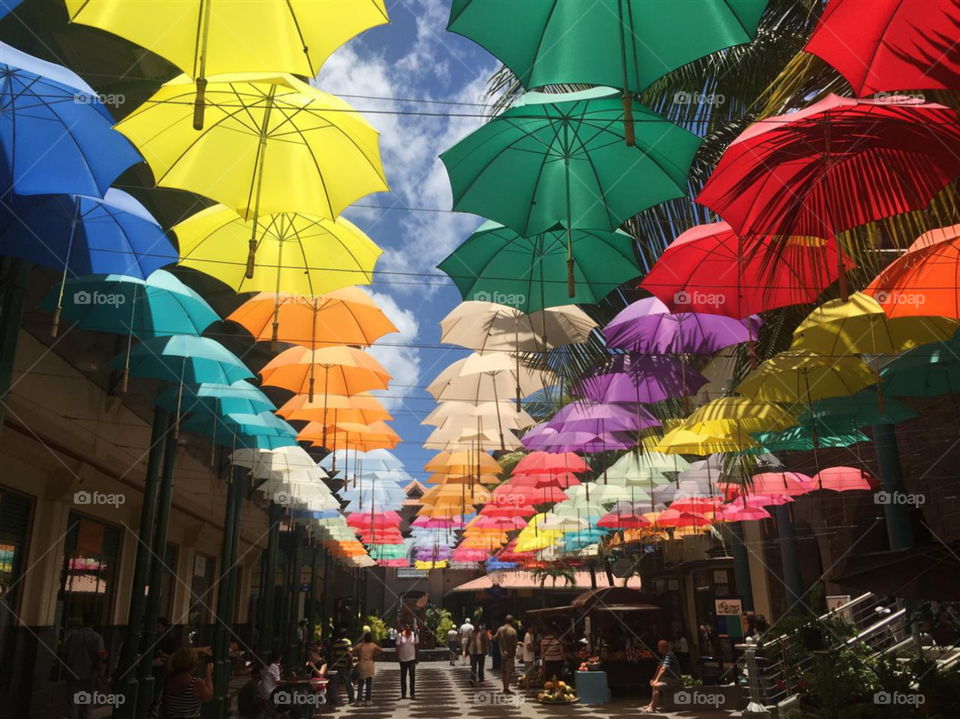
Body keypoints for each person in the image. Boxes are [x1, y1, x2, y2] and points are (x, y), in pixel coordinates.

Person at [63, 613, 108, 719]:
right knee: (86, 706)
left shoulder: (73, 636)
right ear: (93, 624)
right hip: (89, 676)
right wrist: (101, 674)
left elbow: (64, 653)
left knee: (72, 704)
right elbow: (101, 657)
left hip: (73, 673)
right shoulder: (97, 638)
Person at [160, 646, 215, 719]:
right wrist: (208, 674)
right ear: (193, 666)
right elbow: (208, 697)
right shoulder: (196, 683)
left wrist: (197, 650)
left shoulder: (169, 677)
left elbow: (173, 656)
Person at [642, 639, 681, 713]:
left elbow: (663, 669)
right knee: (654, 684)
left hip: (673, 680)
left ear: (665, 647)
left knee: (656, 686)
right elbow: (659, 668)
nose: (658, 648)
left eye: (660, 646)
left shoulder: (669, 655)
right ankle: (651, 704)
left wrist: (656, 680)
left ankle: (652, 707)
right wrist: (654, 679)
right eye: (658, 646)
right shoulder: (664, 656)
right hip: (667, 679)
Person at [351, 631, 382, 706]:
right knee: (369, 684)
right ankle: (368, 700)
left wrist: (357, 654)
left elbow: (352, 650)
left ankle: (359, 700)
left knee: (360, 684)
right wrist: (374, 654)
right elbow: (381, 650)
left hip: (361, 665)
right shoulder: (373, 645)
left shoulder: (360, 645)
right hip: (370, 665)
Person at [327, 628, 355, 706]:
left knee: (334, 683)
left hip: (336, 666)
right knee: (348, 683)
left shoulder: (335, 643)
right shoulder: (347, 642)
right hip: (345, 666)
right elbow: (349, 653)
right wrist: (351, 663)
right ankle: (351, 698)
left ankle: (334, 700)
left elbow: (332, 655)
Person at [493, 615, 518, 694]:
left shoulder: (500, 629)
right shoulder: (513, 631)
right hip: (510, 654)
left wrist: (489, 635)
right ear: (512, 621)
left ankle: (504, 687)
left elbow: (494, 638)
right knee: (509, 672)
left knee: (503, 671)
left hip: (502, 654)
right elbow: (515, 643)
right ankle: (507, 687)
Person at [396, 623, 418, 699]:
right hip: (403, 659)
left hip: (412, 659)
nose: (408, 628)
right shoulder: (400, 635)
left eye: (409, 626)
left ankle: (412, 694)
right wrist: (398, 656)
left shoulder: (414, 635)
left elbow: (417, 646)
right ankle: (403, 694)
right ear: (404, 627)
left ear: (411, 628)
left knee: (412, 676)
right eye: (406, 627)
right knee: (403, 677)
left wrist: (417, 657)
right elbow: (397, 646)